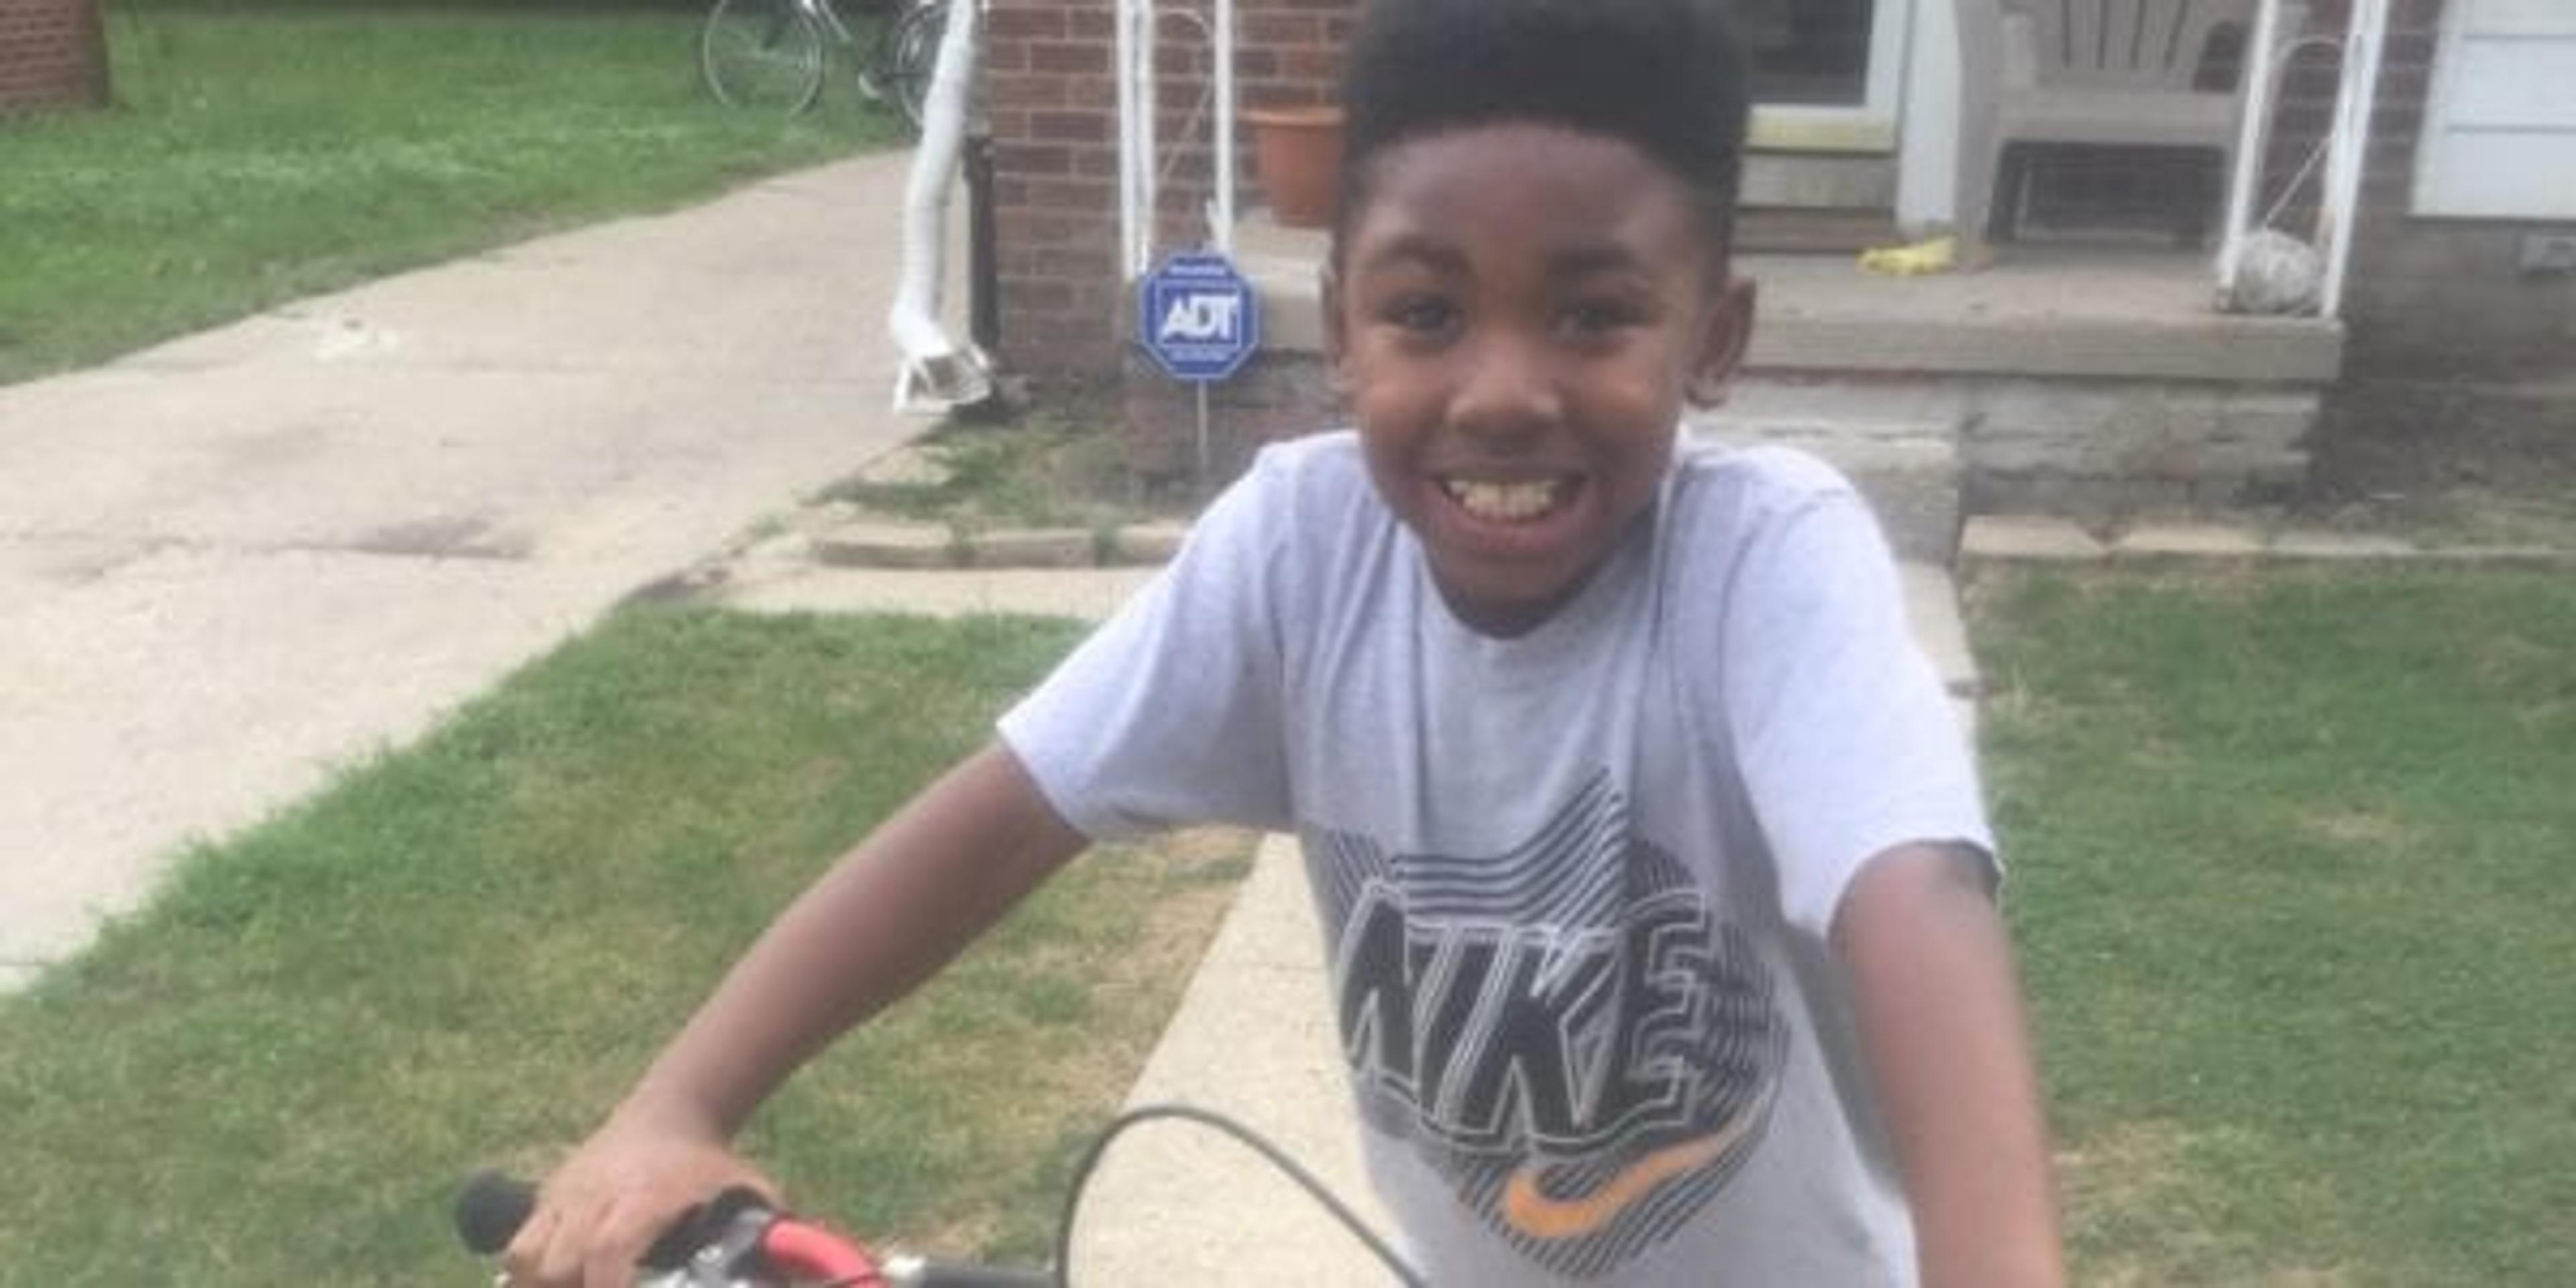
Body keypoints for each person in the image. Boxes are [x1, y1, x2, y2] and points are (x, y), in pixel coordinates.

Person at [504, 0, 2065, 1283]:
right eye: (1428, 314)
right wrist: (678, 1104)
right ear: (1340, 322)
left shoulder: (1765, 564)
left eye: (1594, 316)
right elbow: (990, 824)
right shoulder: (1303, 552)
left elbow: (1910, 892)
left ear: (1712, 340)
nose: (1506, 388)